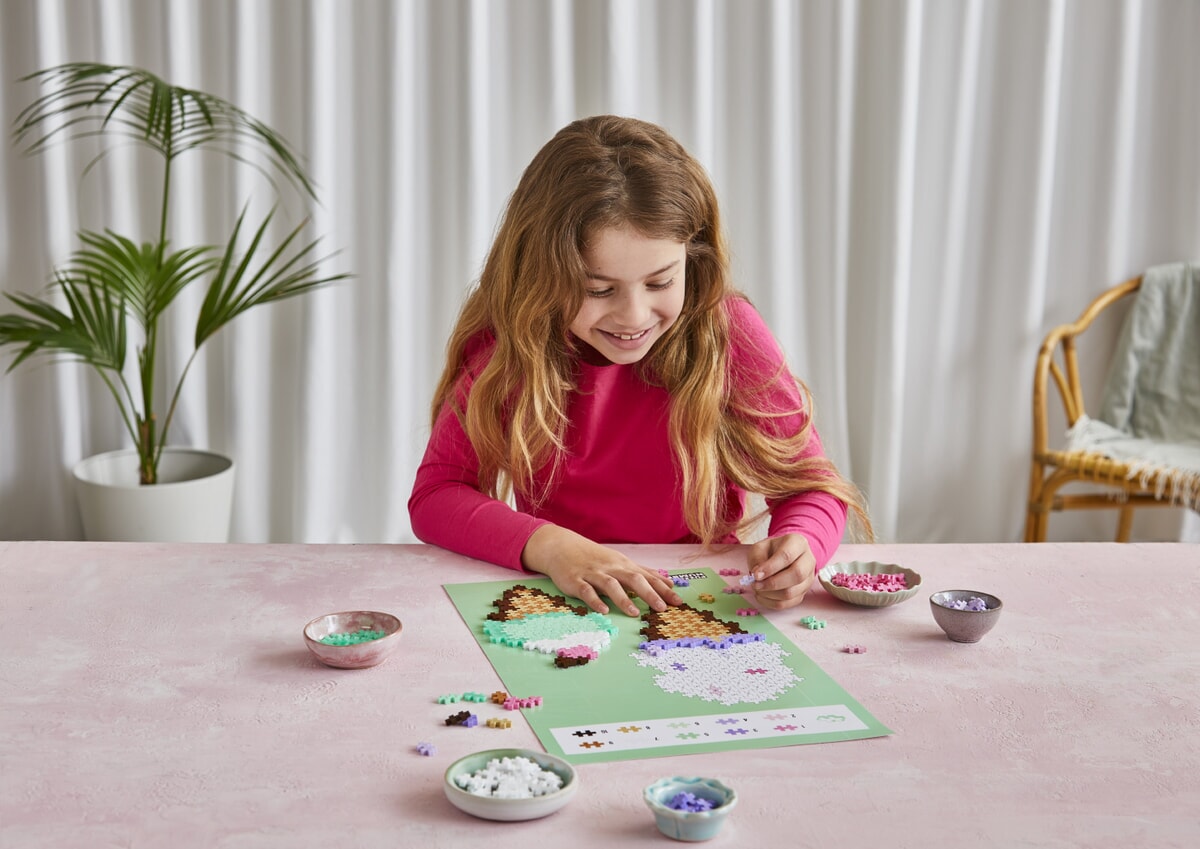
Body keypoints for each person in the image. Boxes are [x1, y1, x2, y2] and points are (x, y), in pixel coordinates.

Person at [408, 115, 871, 617]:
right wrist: (551, 547)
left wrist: (800, 544)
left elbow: (810, 487)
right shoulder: (509, 345)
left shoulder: (728, 332)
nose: (633, 317)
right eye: (598, 289)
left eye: (660, 283)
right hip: (564, 599)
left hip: (701, 600)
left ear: (692, 260)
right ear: (541, 275)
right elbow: (437, 495)